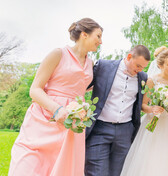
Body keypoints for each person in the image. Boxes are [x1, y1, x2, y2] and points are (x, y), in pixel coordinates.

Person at [8, 18, 103, 176]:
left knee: (64, 169)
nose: (100, 41)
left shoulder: (90, 64)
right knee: (27, 166)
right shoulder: (58, 54)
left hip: (71, 124)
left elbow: (79, 86)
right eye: (98, 36)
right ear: (85, 35)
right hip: (44, 119)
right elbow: (35, 89)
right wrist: (56, 109)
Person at [120, 47, 168, 176]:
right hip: (153, 123)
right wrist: (152, 109)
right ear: (160, 65)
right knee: (152, 157)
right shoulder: (152, 80)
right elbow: (143, 105)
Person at [84, 45, 150, 176]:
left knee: (120, 173)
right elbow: (82, 85)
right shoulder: (103, 66)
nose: (140, 70)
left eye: (143, 67)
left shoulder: (142, 77)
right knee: (96, 172)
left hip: (125, 132)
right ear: (129, 57)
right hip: (99, 129)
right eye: (138, 65)